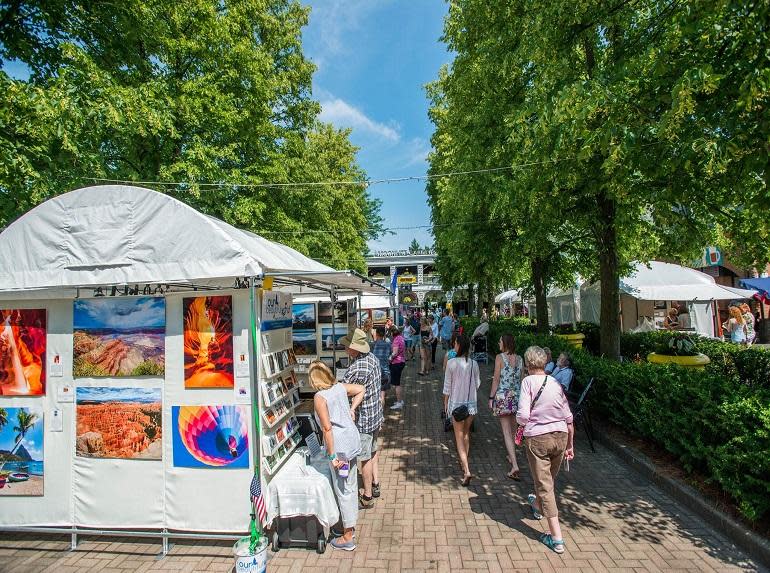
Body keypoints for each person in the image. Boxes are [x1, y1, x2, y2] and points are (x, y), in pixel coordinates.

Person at [517, 346, 575, 555]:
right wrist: (569, 445)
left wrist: (521, 421)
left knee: (545, 486)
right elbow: (568, 418)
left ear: (528, 363)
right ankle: (538, 505)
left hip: (538, 439)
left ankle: (556, 537)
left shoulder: (527, 382)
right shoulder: (555, 382)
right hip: (560, 436)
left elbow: (523, 415)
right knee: (547, 480)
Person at [308, 362, 365, 551]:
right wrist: (352, 409)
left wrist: (332, 455)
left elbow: (327, 428)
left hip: (340, 448)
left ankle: (348, 536)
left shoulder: (320, 397)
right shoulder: (339, 387)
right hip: (351, 440)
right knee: (350, 484)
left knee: (344, 488)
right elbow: (361, 389)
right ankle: (349, 525)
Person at [339, 328, 384, 509]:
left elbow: (343, 391)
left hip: (364, 418)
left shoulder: (356, 368)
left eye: (347, 345)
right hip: (375, 414)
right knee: (373, 450)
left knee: (364, 458)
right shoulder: (372, 358)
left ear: (354, 348)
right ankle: (375, 483)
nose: (344, 348)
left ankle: (367, 496)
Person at [442, 334, 480, 486]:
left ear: (458, 345)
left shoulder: (451, 363)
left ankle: (466, 470)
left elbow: (447, 387)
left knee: (458, 437)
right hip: (471, 405)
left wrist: (445, 404)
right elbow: (478, 384)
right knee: (466, 434)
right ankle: (464, 459)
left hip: (456, 405)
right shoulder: (474, 364)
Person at [488, 334, 524, 479]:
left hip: (503, 397)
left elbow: (496, 379)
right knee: (515, 431)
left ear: (505, 343)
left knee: (506, 432)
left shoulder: (499, 358)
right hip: (517, 397)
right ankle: (512, 455)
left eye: (500, 341)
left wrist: (491, 397)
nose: (498, 342)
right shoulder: (520, 359)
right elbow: (522, 380)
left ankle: (514, 465)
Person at [371, 326, 392, 408]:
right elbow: (390, 355)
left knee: (376, 395)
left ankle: (377, 414)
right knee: (382, 394)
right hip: (385, 371)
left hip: (375, 372)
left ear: (376, 334)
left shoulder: (372, 345)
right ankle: (381, 412)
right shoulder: (388, 344)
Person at [388, 326, 406, 410]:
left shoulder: (395, 340)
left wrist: (389, 358)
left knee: (396, 384)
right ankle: (400, 400)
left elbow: (394, 353)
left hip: (396, 363)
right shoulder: (401, 337)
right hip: (401, 361)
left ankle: (399, 403)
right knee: (397, 383)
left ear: (392, 333)